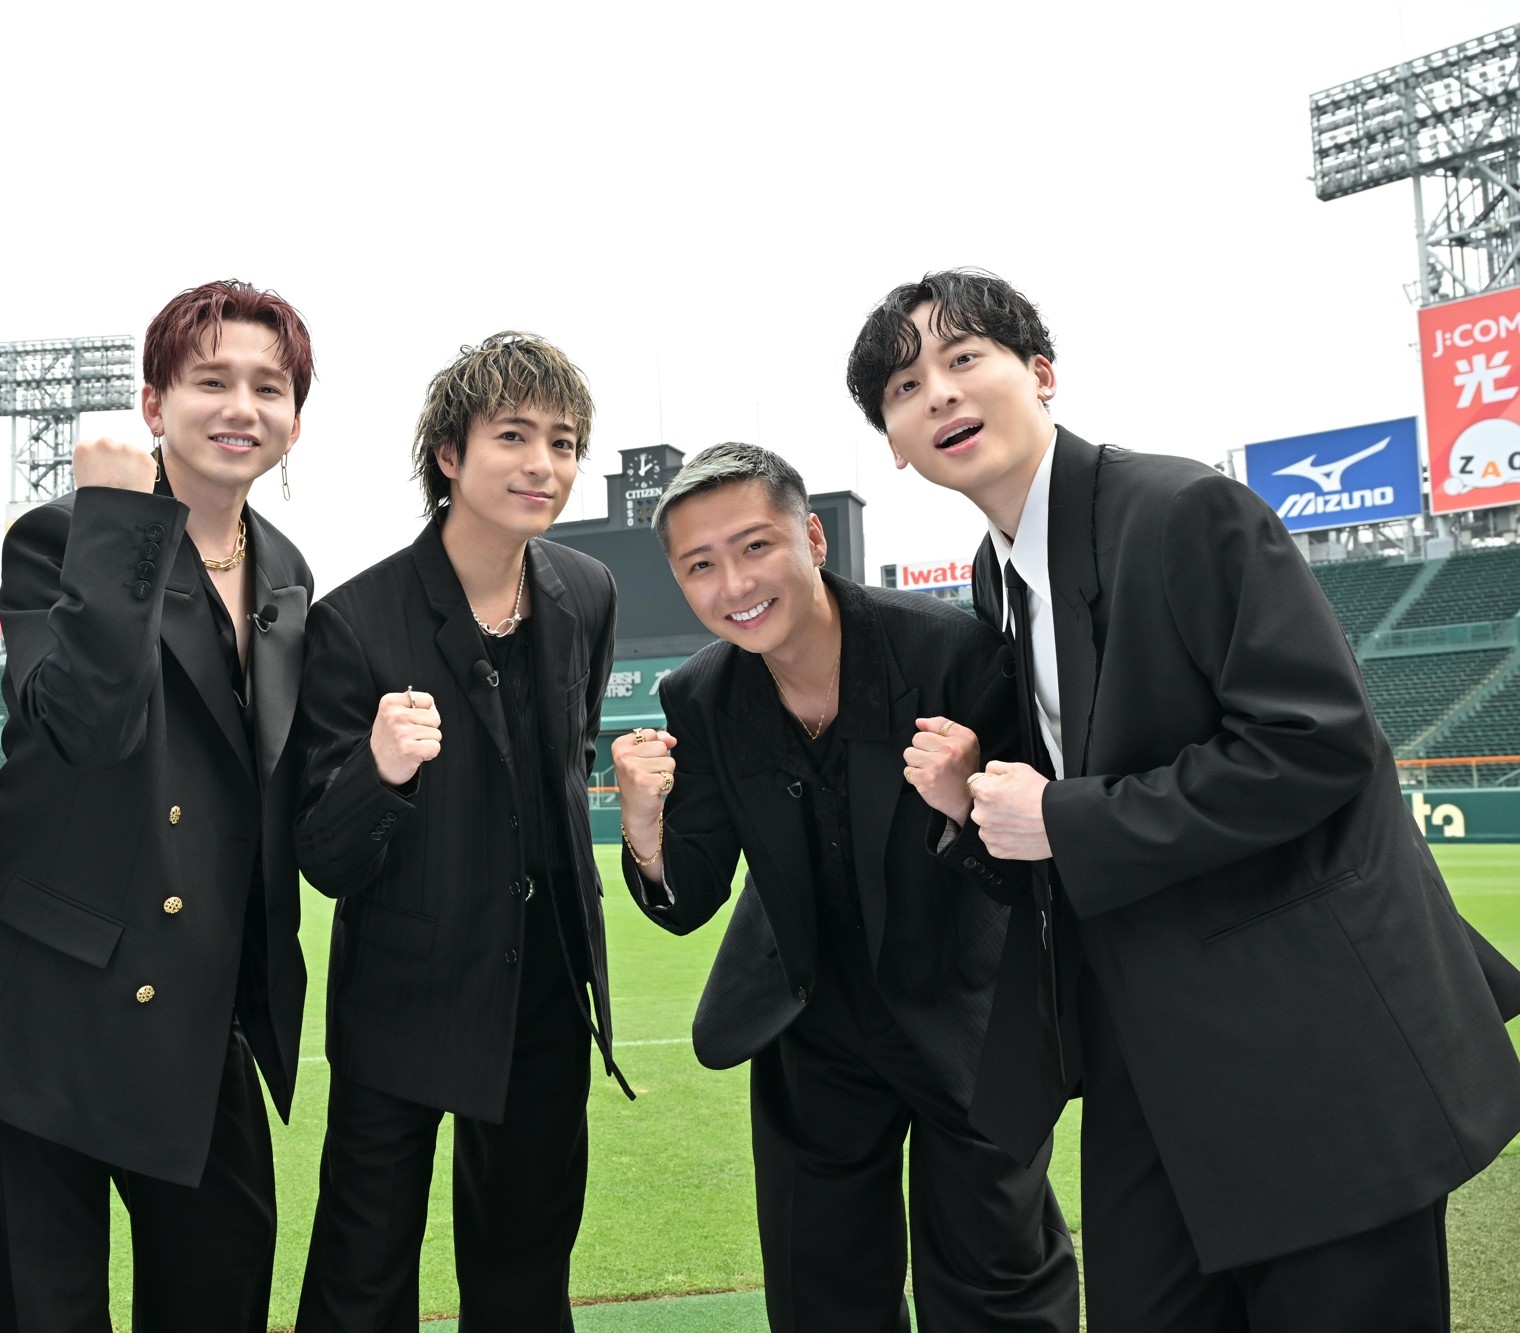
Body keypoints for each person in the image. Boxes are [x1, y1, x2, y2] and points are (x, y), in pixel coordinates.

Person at [847, 268, 1520, 1332]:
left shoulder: (1178, 509)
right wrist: (971, 804)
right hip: (1147, 1056)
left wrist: (1061, 817)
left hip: (1310, 1052)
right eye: (902, 386)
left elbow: (1314, 744)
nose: (937, 392)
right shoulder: (995, 577)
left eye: (964, 357)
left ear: (1041, 373)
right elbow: (1057, 819)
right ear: (892, 443)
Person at [0, 281, 316, 1330]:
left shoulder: (285, 571)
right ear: (152, 404)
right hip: (38, 1008)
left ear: (295, 418)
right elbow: (86, 726)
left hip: (196, 1009)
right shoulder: (61, 536)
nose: (241, 406)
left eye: (269, 386)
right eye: (210, 380)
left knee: (222, 1282)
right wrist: (123, 525)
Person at [610, 442, 1078, 1331]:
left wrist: (964, 803)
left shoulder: (952, 652)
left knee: (998, 1281)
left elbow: (1036, 871)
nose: (733, 583)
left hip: (966, 1016)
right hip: (812, 1025)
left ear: (814, 538)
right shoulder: (698, 695)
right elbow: (691, 893)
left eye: (755, 546)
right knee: (820, 1292)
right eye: (699, 565)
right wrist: (641, 824)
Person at [292, 332, 627, 1331]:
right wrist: (379, 770)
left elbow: (563, 765)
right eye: (513, 436)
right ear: (449, 454)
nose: (542, 464)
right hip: (403, 992)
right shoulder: (354, 621)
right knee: (361, 1276)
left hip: (544, 989)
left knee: (525, 1270)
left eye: (562, 443)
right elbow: (325, 855)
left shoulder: (586, 593)